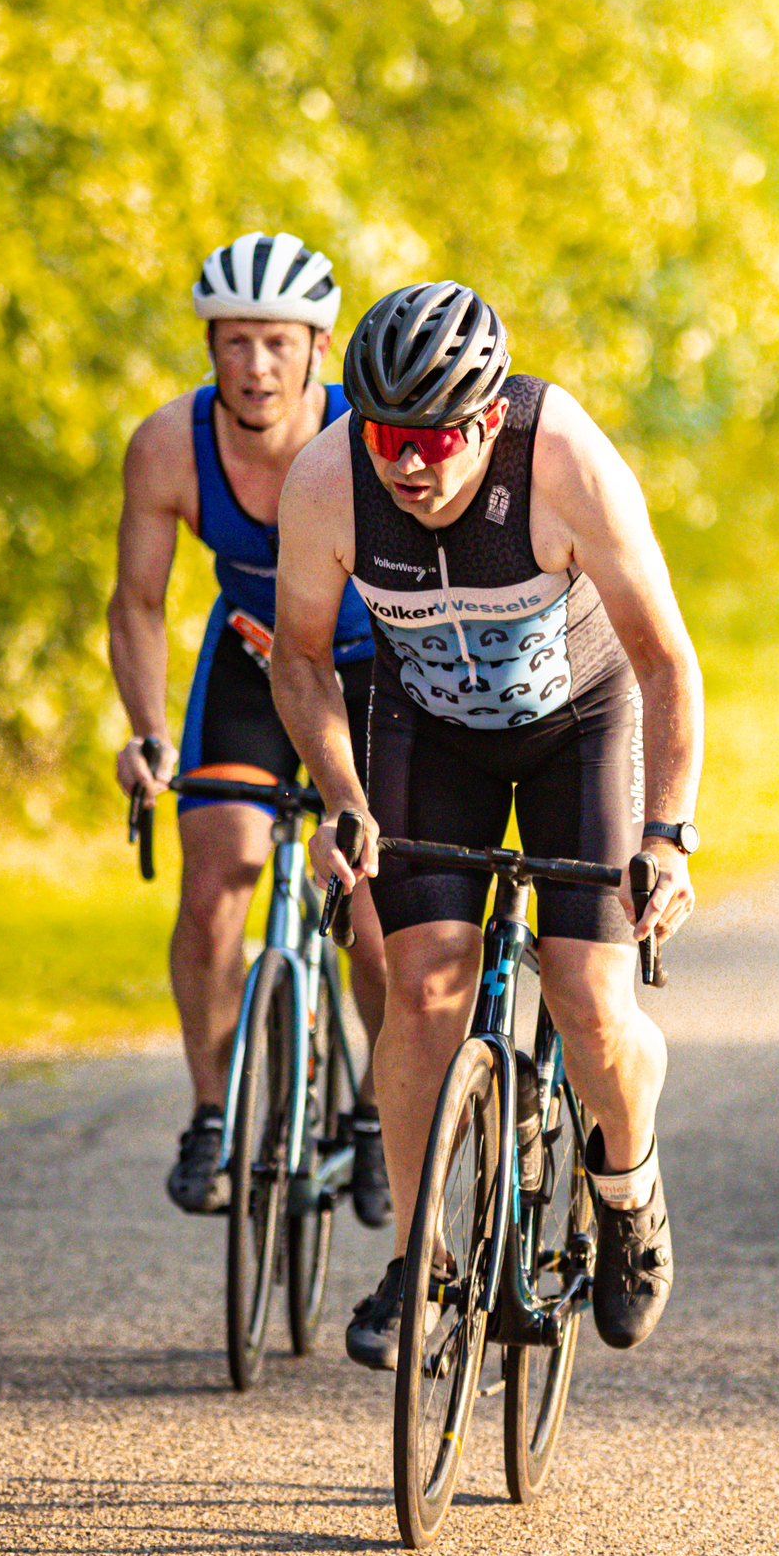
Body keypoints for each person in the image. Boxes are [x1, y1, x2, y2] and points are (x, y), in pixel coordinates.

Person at [270, 279, 702, 1368]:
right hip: (427, 731)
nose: (407, 465)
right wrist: (344, 801)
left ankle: (628, 1186)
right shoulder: (325, 480)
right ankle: (424, 1266)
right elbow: (303, 662)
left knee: (589, 1000)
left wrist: (666, 835)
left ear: (486, 418)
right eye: (386, 438)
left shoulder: (563, 460)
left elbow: (665, 662)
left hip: (580, 727)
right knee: (419, 987)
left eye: (433, 440)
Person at [108, 232, 391, 1227]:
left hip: (368, 668)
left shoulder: (365, 439)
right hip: (251, 662)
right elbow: (137, 604)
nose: (255, 366)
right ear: (210, 348)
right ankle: (211, 1114)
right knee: (217, 865)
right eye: (232, 343)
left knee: (371, 913)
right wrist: (148, 733)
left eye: (276, 342)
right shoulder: (167, 445)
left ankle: (372, 1114)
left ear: (318, 346)